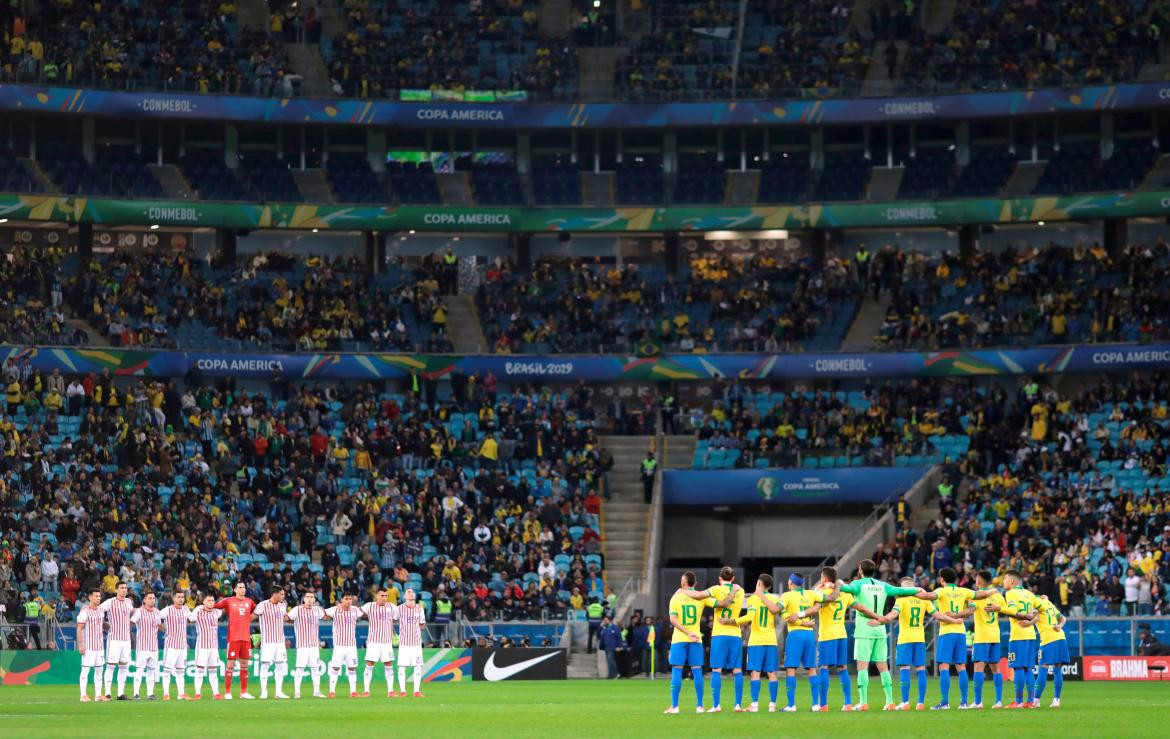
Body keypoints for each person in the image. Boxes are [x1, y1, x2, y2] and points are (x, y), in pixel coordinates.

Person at [835, 559, 930, 711]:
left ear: (860, 570)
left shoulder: (857, 584)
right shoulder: (883, 585)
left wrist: (836, 582)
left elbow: (843, 589)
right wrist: (919, 590)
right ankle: (890, 701)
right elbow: (902, 591)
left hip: (865, 628)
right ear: (875, 570)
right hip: (879, 628)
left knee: (862, 666)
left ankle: (863, 702)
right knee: (883, 667)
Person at [663, 571, 732, 714]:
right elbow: (724, 603)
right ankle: (700, 706)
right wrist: (734, 591)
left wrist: (687, 632)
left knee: (677, 671)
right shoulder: (701, 597)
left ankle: (675, 706)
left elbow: (673, 620)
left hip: (680, 639)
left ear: (683, 584)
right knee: (697, 672)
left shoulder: (676, 598)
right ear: (695, 584)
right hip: (696, 639)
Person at [883, 576, 947, 710]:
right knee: (920, 669)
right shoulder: (923, 598)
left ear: (903, 587)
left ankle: (905, 702)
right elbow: (937, 615)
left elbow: (893, 614)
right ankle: (920, 703)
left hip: (905, 638)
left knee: (904, 669)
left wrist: (882, 619)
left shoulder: (901, 599)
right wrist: (954, 619)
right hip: (919, 638)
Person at [778, 573, 835, 712]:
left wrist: (800, 621)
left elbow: (784, 614)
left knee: (791, 669)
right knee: (811, 668)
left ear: (790, 583)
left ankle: (791, 705)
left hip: (795, 634)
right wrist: (835, 586)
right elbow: (830, 598)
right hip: (809, 634)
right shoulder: (812, 594)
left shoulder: (786, 596)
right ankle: (816, 705)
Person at [984, 569, 1040, 708]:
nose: (1003, 581)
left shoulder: (1011, 593)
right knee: (1028, 669)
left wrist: (999, 608)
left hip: (1018, 635)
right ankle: (1031, 702)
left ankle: (1019, 701)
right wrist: (1031, 621)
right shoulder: (1029, 594)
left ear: (1012, 581)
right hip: (1031, 635)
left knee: (1018, 668)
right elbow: (1037, 611)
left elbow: (1015, 612)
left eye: (1005, 579)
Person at [727, 574, 780, 713]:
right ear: (770, 586)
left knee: (755, 672)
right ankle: (772, 705)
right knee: (772, 673)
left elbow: (750, 617)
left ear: (758, 583)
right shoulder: (775, 598)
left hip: (756, 640)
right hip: (771, 640)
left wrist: (733, 621)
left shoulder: (753, 599)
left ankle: (755, 705)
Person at [928, 566, 977, 710]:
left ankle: (944, 702)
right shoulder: (964, 591)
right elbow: (973, 608)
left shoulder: (940, 591)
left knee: (944, 665)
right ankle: (963, 703)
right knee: (961, 666)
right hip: (961, 632)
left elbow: (928, 597)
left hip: (947, 631)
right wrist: (959, 615)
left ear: (942, 579)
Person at [812, 567, 856, 711]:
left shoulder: (822, 593)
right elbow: (858, 606)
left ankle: (823, 704)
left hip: (827, 635)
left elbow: (813, 605)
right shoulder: (845, 593)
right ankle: (848, 703)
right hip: (841, 634)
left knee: (824, 667)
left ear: (824, 579)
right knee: (842, 668)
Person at [704, 566, 746, 712]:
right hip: (735, 634)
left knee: (717, 669)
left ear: (719, 578)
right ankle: (738, 705)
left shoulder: (715, 589)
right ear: (733, 578)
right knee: (737, 670)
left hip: (719, 634)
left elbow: (704, 597)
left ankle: (716, 705)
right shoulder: (741, 591)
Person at [213, 581, 257, 699]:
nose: (243, 589)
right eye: (240, 587)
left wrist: (248, 620)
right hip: (233, 638)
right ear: (235, 590)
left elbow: (257, 612)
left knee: (244, 665)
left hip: (246, 638)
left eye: (244, 587)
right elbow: (214, 606)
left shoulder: (250, 602)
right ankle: (227, 692)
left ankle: (244, 692)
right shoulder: (228, 601)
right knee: (230, 665)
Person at [970, 569, 1007, 708]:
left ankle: (978, 702)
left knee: (978, 667)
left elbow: (971, 609)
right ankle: (998, 701)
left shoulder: (977, 596)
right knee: (995, 668)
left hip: (982, 636)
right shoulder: (997, 595)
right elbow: (1005, 609)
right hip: (995, 635)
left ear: (979, 581)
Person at [287, 592, 327, 698]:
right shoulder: (297, 609)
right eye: (308, 597)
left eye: (312, 597)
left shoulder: (317, 610)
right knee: (300, 668)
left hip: (314, 645)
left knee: (315, 668)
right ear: (304, 599)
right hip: (302, 645)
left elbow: (326, 617)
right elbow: (287, 618)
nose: (310, 599)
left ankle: (316, 691)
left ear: (314, 600)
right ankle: (297, 692)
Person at [99, 581, 135, 700]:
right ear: (116, 590)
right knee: (110, 666)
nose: (124, 590)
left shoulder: (128, 602)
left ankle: (120, 693)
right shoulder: (110, 602)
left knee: (124, 666)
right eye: (121, 588)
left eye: (125, 588)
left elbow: (133, 612)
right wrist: (104, 624)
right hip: (114, 639)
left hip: (126, 639)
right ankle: (108, 693)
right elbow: (98, 610)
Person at [361, 587, 399, 697]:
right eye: (382, 595)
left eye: (386, 596)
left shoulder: (392, 607)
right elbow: (357, 612)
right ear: (377, 596)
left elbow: (400, 614)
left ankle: (391, 691)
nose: (384, 598)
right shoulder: (369, 606)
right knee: (369, 664)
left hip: (387, 642)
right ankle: (366, 691)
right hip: (373, 641)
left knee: (389, 664)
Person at [253, 587, 290, 699]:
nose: (283, 596)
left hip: (280, 642)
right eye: (281, 594)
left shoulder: (282, 605)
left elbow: (285, 618)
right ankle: (264, 692)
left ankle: (278, 692)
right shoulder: (262, 605)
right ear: (274, 594)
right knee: (265, 666)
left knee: (281, 666)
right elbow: (251, 617)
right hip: (268, 642)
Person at [1034, 595, 1069, 708]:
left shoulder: (1037, 606)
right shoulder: (1050, 605)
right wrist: (1059, 625)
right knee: (1057, 670)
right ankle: (1056, 700)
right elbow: (1063, 618)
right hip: (1060, 638)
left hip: (1048, 639)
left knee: (1043, 669)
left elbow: (1033, 617)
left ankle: (1036, 701)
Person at [326, 592, 362, 697]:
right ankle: (332, 691)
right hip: (339, 645)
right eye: (346, 599)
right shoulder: (335, 609)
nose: (348, 601)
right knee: (335, 668)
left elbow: (363, 611)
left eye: (350, 599)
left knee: (352, 668)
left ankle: (353, 692)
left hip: (351, 645)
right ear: (341, 600)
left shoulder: (355, 610)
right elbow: (323, 613)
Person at [189, 595, 225, 700]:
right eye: (208, 600)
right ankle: (197, 693)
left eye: (213, 600)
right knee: (200, 671)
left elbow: (225, 608)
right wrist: (199, 607)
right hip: (202, 647)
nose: (211, 602)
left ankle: (216, 693)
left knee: (213, 671)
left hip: (213, 647)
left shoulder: (216, 612)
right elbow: (190, 618)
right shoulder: (198, 612)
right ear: (203, 602)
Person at [159, 590, 191, 700]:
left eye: (182, 597)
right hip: (171, 645)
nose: (181, 599)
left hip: (182, 646)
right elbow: (156, 619)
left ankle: (181, 694)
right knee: (167, 670)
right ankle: (166, 694)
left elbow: (192, 619)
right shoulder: (167, 610)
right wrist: (165, 630)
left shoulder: (186, 609)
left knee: (181, 671)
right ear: (173, 598)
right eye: (179, 597)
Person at [130, 592, 161, 700]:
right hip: (142, 647)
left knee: (151, 671)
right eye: (150, 598)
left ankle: (150, 693)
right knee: (139, 670)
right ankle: (136, 693)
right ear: (145, 600)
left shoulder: (157, 612)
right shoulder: (139, 612)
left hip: (154, 647)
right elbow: (131, 623)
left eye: (153, 598)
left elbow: (158, 626)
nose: (152, 600)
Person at [397, 589, 427, 697]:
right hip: (404, 643)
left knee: (417, 666)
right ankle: (403, 691)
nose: (411, 593)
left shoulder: (419, 609)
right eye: (408, 592)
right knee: (402, 667)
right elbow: (392, 619)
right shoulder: (399, 609)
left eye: (412, 592)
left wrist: (416, 627)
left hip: (416, 643)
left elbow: (423, 625)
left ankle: (416, 691)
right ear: (404, 596)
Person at [77, 589, 106, 702]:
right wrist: (81, 645)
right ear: (90, 597)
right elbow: (79, 628)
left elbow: (101, 625)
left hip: (99, 646)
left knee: (99, 671)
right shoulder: (85, 610)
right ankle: (83, 695)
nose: (98, 598)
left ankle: (98, 695)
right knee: (85, 671)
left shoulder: (101, 611)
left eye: (99, 596)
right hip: (88, 646)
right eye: (96, 596)